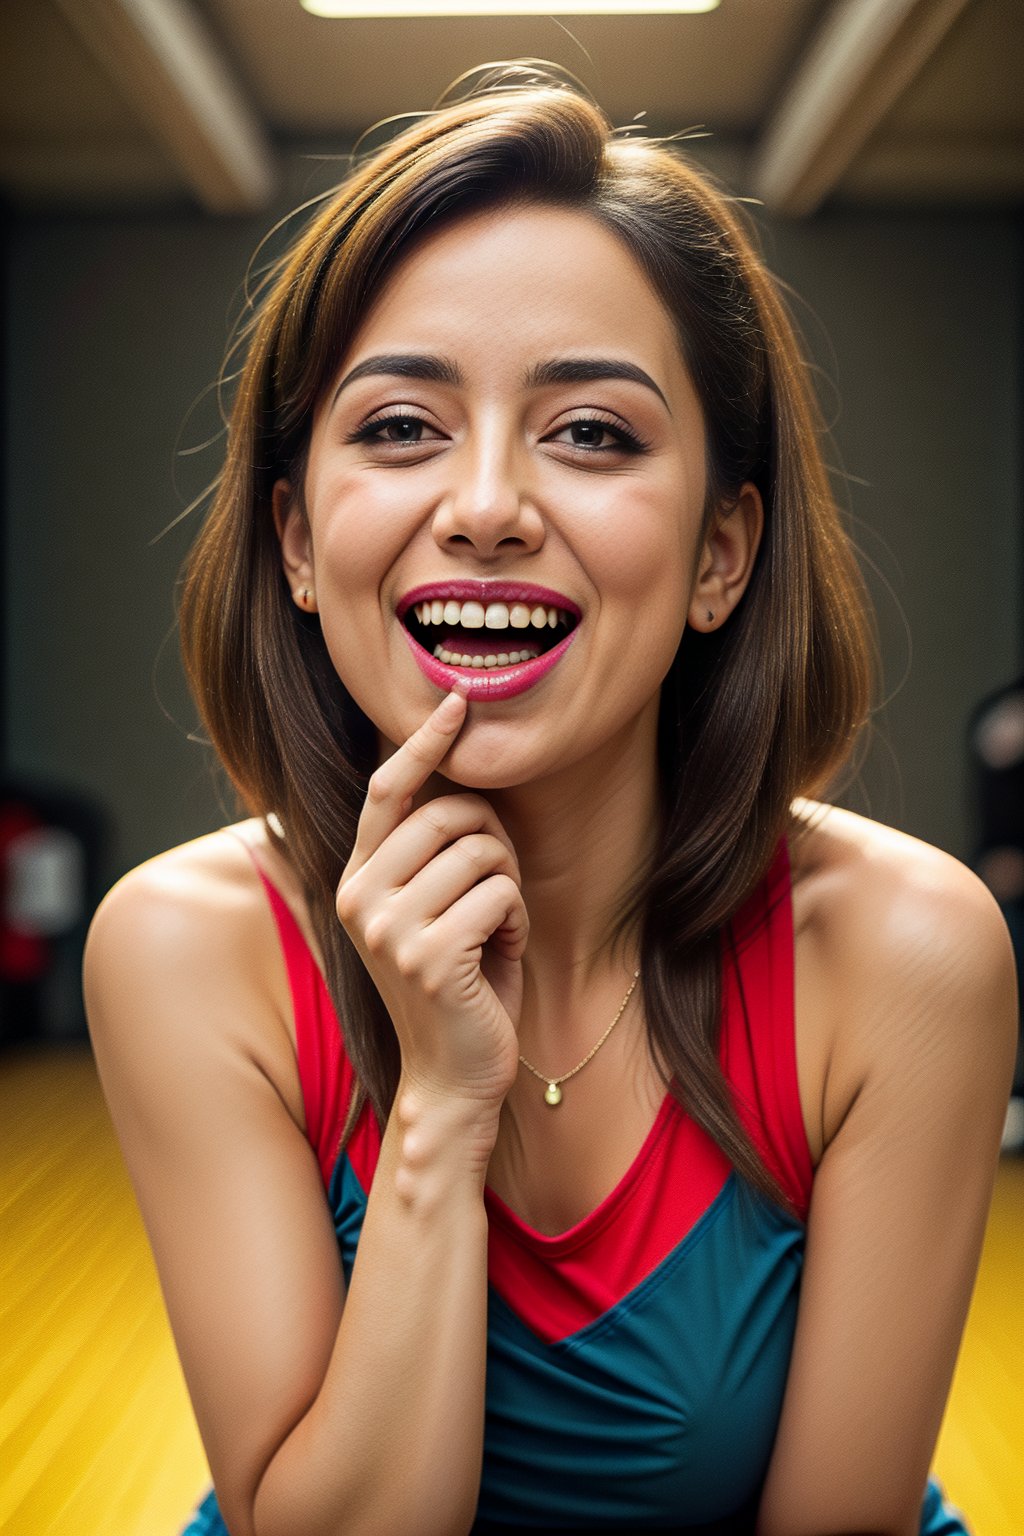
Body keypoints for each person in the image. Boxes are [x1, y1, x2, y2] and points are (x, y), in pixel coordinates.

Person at [84, 65, 1017, 1536]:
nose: (489, 504)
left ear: (723, 554)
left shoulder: (905, 955)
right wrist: (443, 1106)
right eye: (400, 428)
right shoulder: (186, 949)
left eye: (592, 433)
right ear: (300, 543)